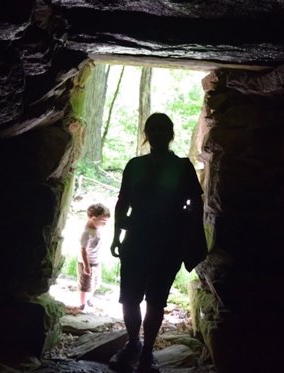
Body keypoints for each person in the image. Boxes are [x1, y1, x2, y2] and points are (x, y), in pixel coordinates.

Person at [109, 113, 207, 373]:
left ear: (171, 134)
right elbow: (123, 201)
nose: (159, 133)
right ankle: (134, 344)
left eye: (164, 129)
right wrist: (116, 234)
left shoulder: (183, 167)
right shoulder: (135, 165)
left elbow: (196, 204)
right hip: (137, 240)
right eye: (154, 129)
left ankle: (147, 351)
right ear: (147, 133)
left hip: (168, 243)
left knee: (156, 301)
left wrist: (190, 238)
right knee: (129, 299)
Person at [77, 202, 110, 311]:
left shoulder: (96, 230)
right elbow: (83, 250)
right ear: (93, 218)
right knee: (85, 285)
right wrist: (86, 266)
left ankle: (88, 298)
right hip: (87, 262)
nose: (105, 224)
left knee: (95, 282)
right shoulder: (87, 233)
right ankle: (82, 304)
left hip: (96, 261)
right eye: (103, 221)